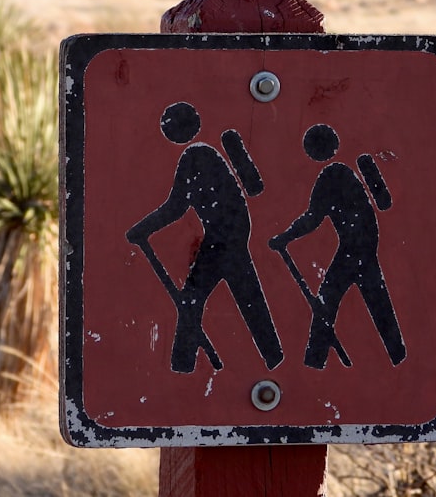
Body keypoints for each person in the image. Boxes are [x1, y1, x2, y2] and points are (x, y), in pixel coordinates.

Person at [126, 101, 283, 373]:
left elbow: (175, 207)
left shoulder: (196, 156)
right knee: (242, 297)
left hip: (224, 237)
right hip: (227, 235)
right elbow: (180, 206)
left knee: (193, 299)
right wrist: (143, 229)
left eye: (169, 125)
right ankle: (273, 357)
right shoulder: (203, 154)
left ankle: (182, 367)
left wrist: (142, 229)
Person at [269, 123, 406, 369]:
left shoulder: (332, 175)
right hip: (362, 245)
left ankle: (314, 362)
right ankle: (398, 355)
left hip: (355, 248)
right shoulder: (343, 171)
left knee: (327, 301)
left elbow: (313, 217)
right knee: (374, 301)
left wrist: (285, 237)